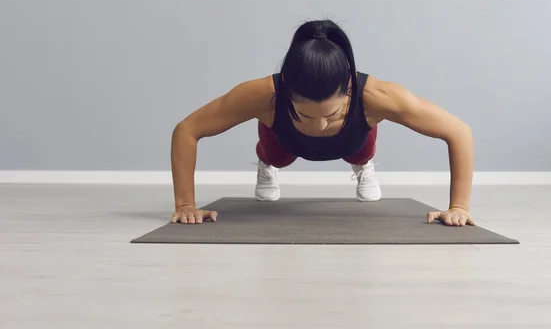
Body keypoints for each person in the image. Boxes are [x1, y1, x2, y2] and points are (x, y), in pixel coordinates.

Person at [170, 19, 475, 227]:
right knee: (278, 155)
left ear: (349, 90)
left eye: (331, 115)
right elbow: (187, 130)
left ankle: (364, 164)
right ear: (287, 89)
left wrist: (458, 207)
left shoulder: (378, 96)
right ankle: (268, 163)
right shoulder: (262, 95)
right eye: (306, 115)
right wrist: (185, 205)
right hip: (285, 141)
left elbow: (458, 132)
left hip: (352, 141)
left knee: (359, 148)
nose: (319, 126)